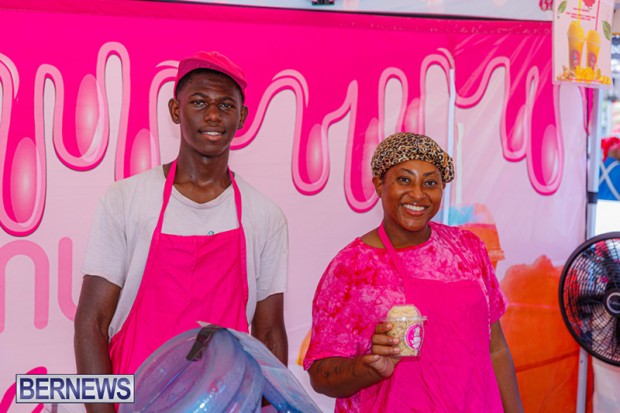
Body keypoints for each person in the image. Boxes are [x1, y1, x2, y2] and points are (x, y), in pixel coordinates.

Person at [74, 51, 288, 412]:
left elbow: (269, 333)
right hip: (136, 400)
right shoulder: (126, 200)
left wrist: (268, 407)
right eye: (199, 102)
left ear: (242, 117)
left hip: (227, 403)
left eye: (226, 105)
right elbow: (91, 323)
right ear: (176, 111)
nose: (213, 115)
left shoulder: (265, 215)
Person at [303, 132, 523, 412]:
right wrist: (367, 368)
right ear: (379, 184)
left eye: (430, 183)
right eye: (404, 180)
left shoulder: (468, 248)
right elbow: (320, 375)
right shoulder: (352, 267)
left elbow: (497, 349)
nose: (418, 194)